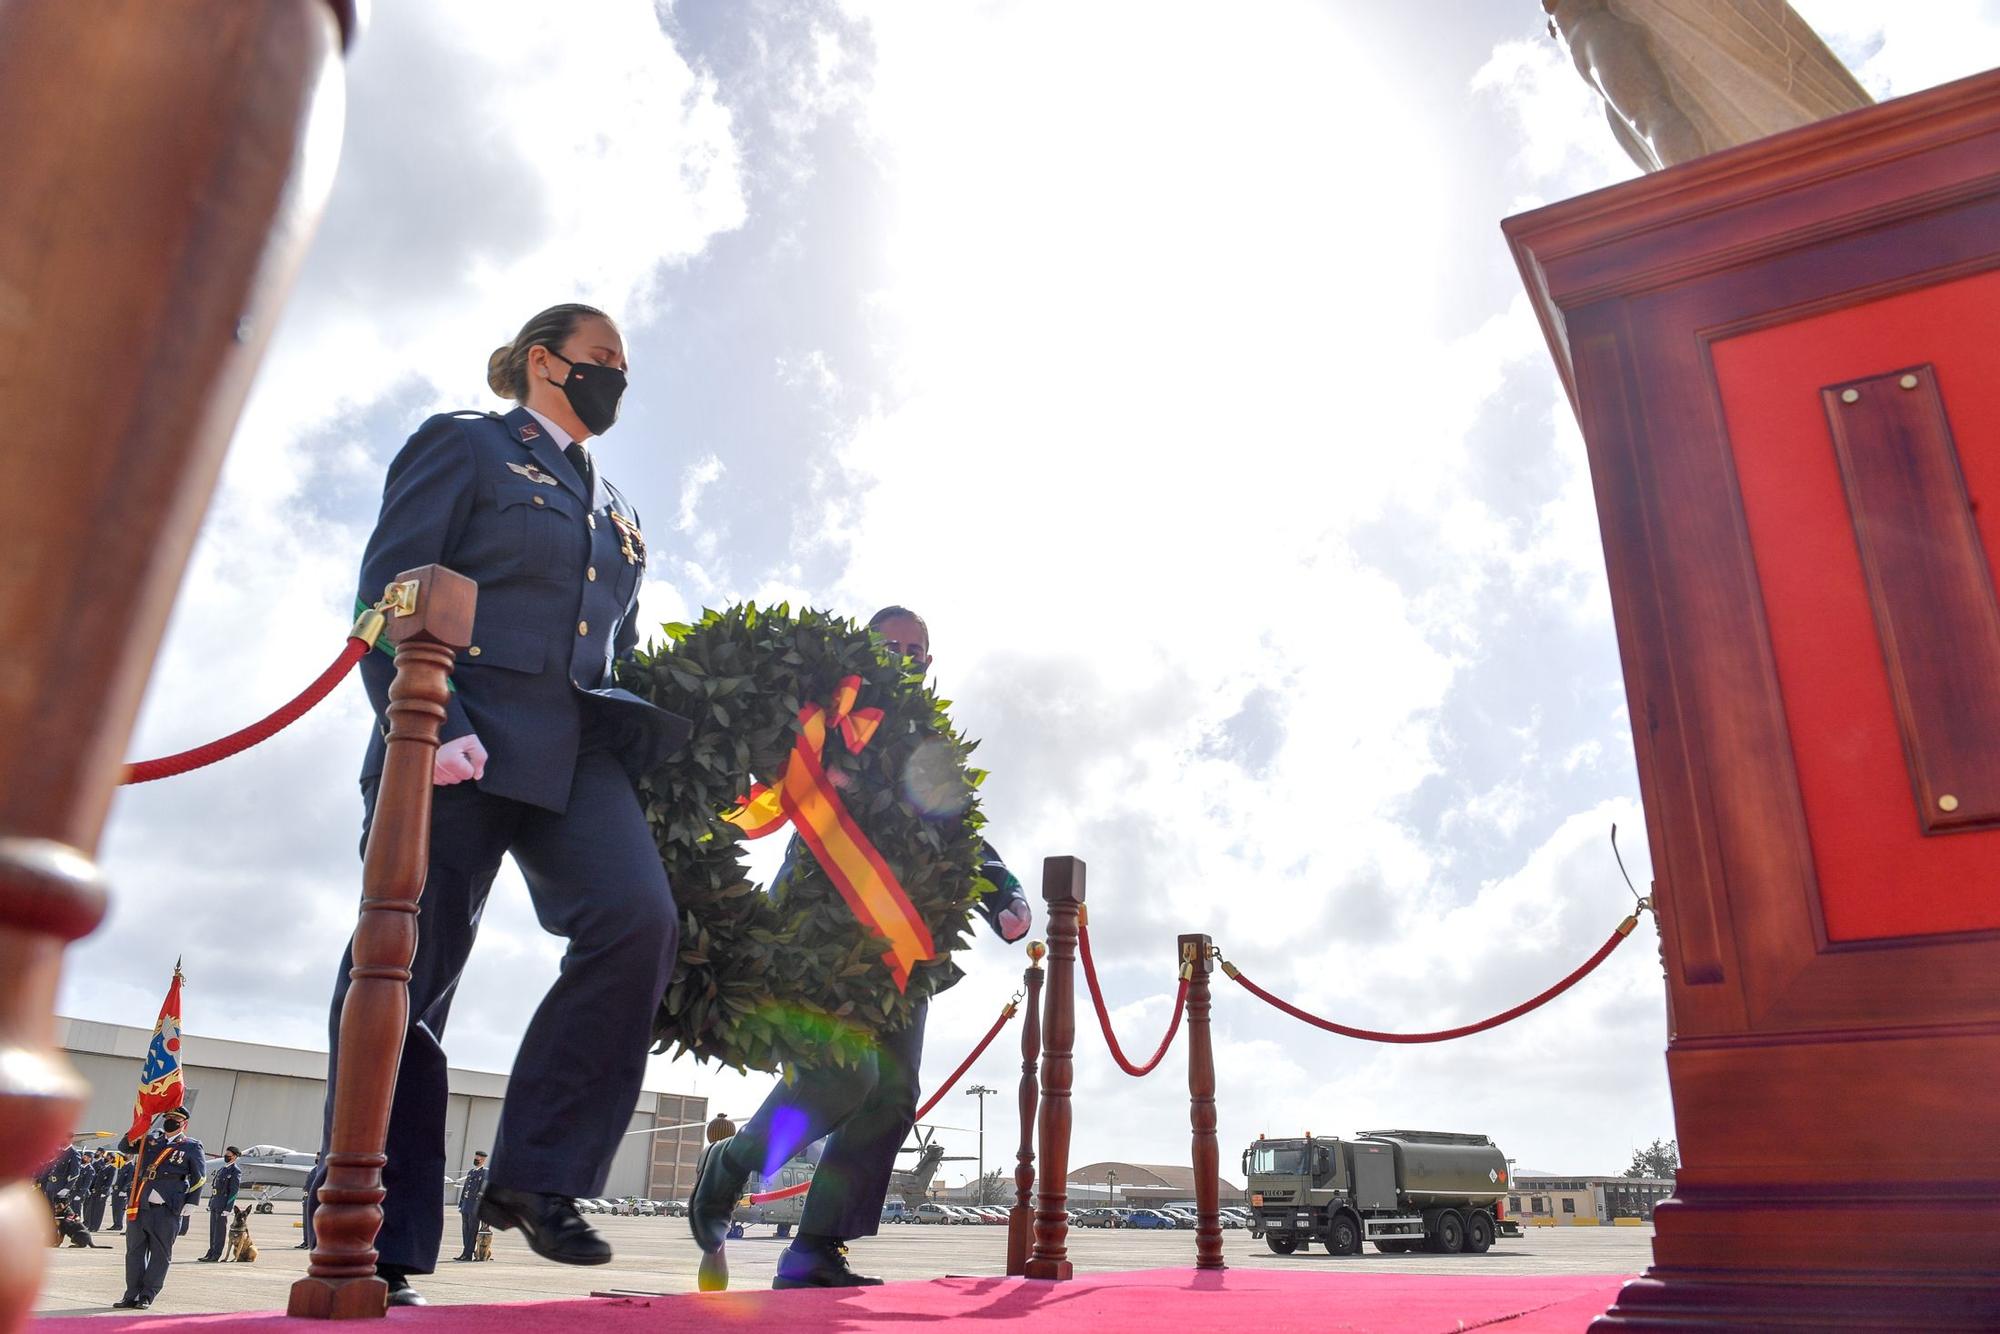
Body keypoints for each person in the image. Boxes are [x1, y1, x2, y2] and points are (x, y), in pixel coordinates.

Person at [318, 303, 687, 1307]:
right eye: (601, 357)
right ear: (542, 359)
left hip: (571, 754)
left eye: (625, 364)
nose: (617, 374)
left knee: (637, 917)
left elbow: (602, 647)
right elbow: (384, 592)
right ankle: (375, 1238)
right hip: (451, 734)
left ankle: (536, 1173)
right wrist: (426, 720)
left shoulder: (621, 513)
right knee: (408, 977)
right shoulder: (466, 445)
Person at [689, 607, 1032, 1290]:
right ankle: (730, 1162)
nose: (906, 656)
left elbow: (959, 834)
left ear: (930, 665)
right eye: (892, 644)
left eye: (918, 649)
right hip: (823, 940)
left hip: (903, 948)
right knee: (841, 1079)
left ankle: (816, 1247)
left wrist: (1004, 893)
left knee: (893, 1093)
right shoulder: (828, 718)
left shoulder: (932, 749)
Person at [114, 1106, 205, 1310]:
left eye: (176, 1118)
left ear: (184, 1123)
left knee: (160, 1254)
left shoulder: (191, 1146)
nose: (170, 1121)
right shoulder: (151, 1140)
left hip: (168, 1208)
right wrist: (138, 1126)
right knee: (134, 1253)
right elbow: (125, 1147)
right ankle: (131, 1294)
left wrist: (192, 1201)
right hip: (141, 1204)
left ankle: (147, 1294)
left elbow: (200, 1177)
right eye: (168, 1117)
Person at [197, 1147, 241, 1262]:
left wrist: (228, 1208)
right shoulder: (222, 1169)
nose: (226, 1156)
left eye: (229, 1154)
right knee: (213, 1230)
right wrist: (211, 1202)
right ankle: (210, 1252)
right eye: (226, 1154)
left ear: (235, 1156)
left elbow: (234, 1191)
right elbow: (215, 1187)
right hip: (215, 1203)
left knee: (220, 1232)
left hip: (223, 1205)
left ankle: (216, 1255)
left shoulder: (235, 1171)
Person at [451, 1151, 489, 1262]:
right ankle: (465, 1252)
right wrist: (461, 1203)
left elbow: (484, 1189)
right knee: (465, 1230)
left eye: (478, 1157)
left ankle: (468, 1254)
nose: (476, 1159)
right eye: (476, 1157)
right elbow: (465, 1189)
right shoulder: (471, 1172)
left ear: (483, 1159)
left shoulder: (484, 1173)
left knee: (472, 1230)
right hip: (466, 1206)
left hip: (475, 1206)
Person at [84, 1152, 113, 1231]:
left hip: (102, 1192)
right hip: (96, 1191)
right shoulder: (103, 1167)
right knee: (93, 1209)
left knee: (98, 1211)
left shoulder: (112, 1168)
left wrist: (104, 1192)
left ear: (111, 1159)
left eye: (108, 1157)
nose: (106, 1158)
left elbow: (109, 1182)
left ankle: (95, 1227)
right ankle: (91, 1226)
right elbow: (97, 1180)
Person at [108, 1153, 133, 1234]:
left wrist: (124, 1190)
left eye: (127, 1154)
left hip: (122, 1191)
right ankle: (115, 1224)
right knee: (115, 1207)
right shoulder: (124, 1165)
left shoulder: (131, 1167)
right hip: (117, 1190)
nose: (125, 1156)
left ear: (131, 1156)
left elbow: (129, 1179)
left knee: (119, 1209)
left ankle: (119, 1225)